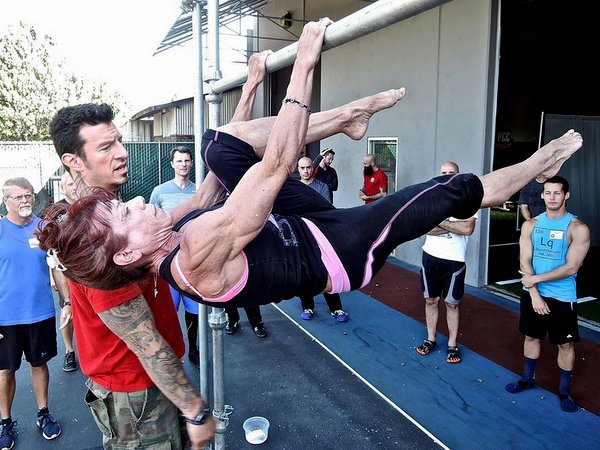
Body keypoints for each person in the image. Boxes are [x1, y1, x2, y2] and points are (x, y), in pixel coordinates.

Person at [36, 21, 583, 333]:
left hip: (303, 223)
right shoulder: (194, 251)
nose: (134, 202)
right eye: (125, 213)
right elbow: (273, 167)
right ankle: (540, 166)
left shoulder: (171, 229)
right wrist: (304, 63)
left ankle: (348, 118)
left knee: (217, 145)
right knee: (449, 191)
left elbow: (213, 180)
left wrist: (250, 87)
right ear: (129, 255)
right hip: (340, 253)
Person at [506, 175, 590, 413]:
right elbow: (525, 260)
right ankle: (527, 378)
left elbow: (572, 266)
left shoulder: (577, 228)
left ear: (566, 195)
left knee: (565, 345)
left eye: (557, 193)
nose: (552, 198)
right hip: (532, 293)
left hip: (562, 296)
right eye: (548, 193)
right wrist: (534, 292)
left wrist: (536, 280)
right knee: (531, 337)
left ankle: (564, 392)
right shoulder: (531, 224)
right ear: (542, 195)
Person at [0, 178, 62, 450]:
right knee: (5, 371)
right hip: (6, 318)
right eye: (18, 197)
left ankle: (43, 413)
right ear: (6, 201)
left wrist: (68, 303)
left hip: (40, 313)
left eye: (29, 195)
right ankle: (5, 421)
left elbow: (58, 267)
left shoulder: (45, 229)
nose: (25, 200)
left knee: (40, 365)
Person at [416, 161, 477, 364]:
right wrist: (452, 225)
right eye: (444, 173)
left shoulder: (468, 200)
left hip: (454, 261)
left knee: (452, 304)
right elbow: (423, 228)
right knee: (430, 300)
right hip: (430, 257)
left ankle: (452, 344)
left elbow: (468, 228)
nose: (447, 175)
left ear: (458, 176)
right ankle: (431, 339)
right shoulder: (431, 198)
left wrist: (438, 220)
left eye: (451, 173)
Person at [149, 146, 201, 366]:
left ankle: (193, 349)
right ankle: (169, 354)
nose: (183, 165)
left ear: (191, 163)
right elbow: (150, 224)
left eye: (187, 161)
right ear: (172, 164)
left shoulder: (199, 191)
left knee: (194, 311)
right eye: (179, 161)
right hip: (168, 263)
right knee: (168, 312)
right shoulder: (159, 192)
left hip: (192, 261)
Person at [297, 156, 348, 322]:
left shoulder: (322, 187)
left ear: (313, 168)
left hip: (320, 236)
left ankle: (336, 308)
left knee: (328, 271)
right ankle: (307, 306)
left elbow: (324, 212)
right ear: (298, 169)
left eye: (308, 168)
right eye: (302, 168)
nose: (306, 171)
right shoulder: (293, 188)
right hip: (301, 235)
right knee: (304, 273)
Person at [50, 171, 78, 372]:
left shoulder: (90, 205)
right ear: (62, 187)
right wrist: (52, 273)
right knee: (67, 312)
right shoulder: (55, 212)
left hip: (89, 272)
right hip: (64, 271)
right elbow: (48, 247)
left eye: (77, 183)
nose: (75, 187)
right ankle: (69, 351)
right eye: (70, 184)